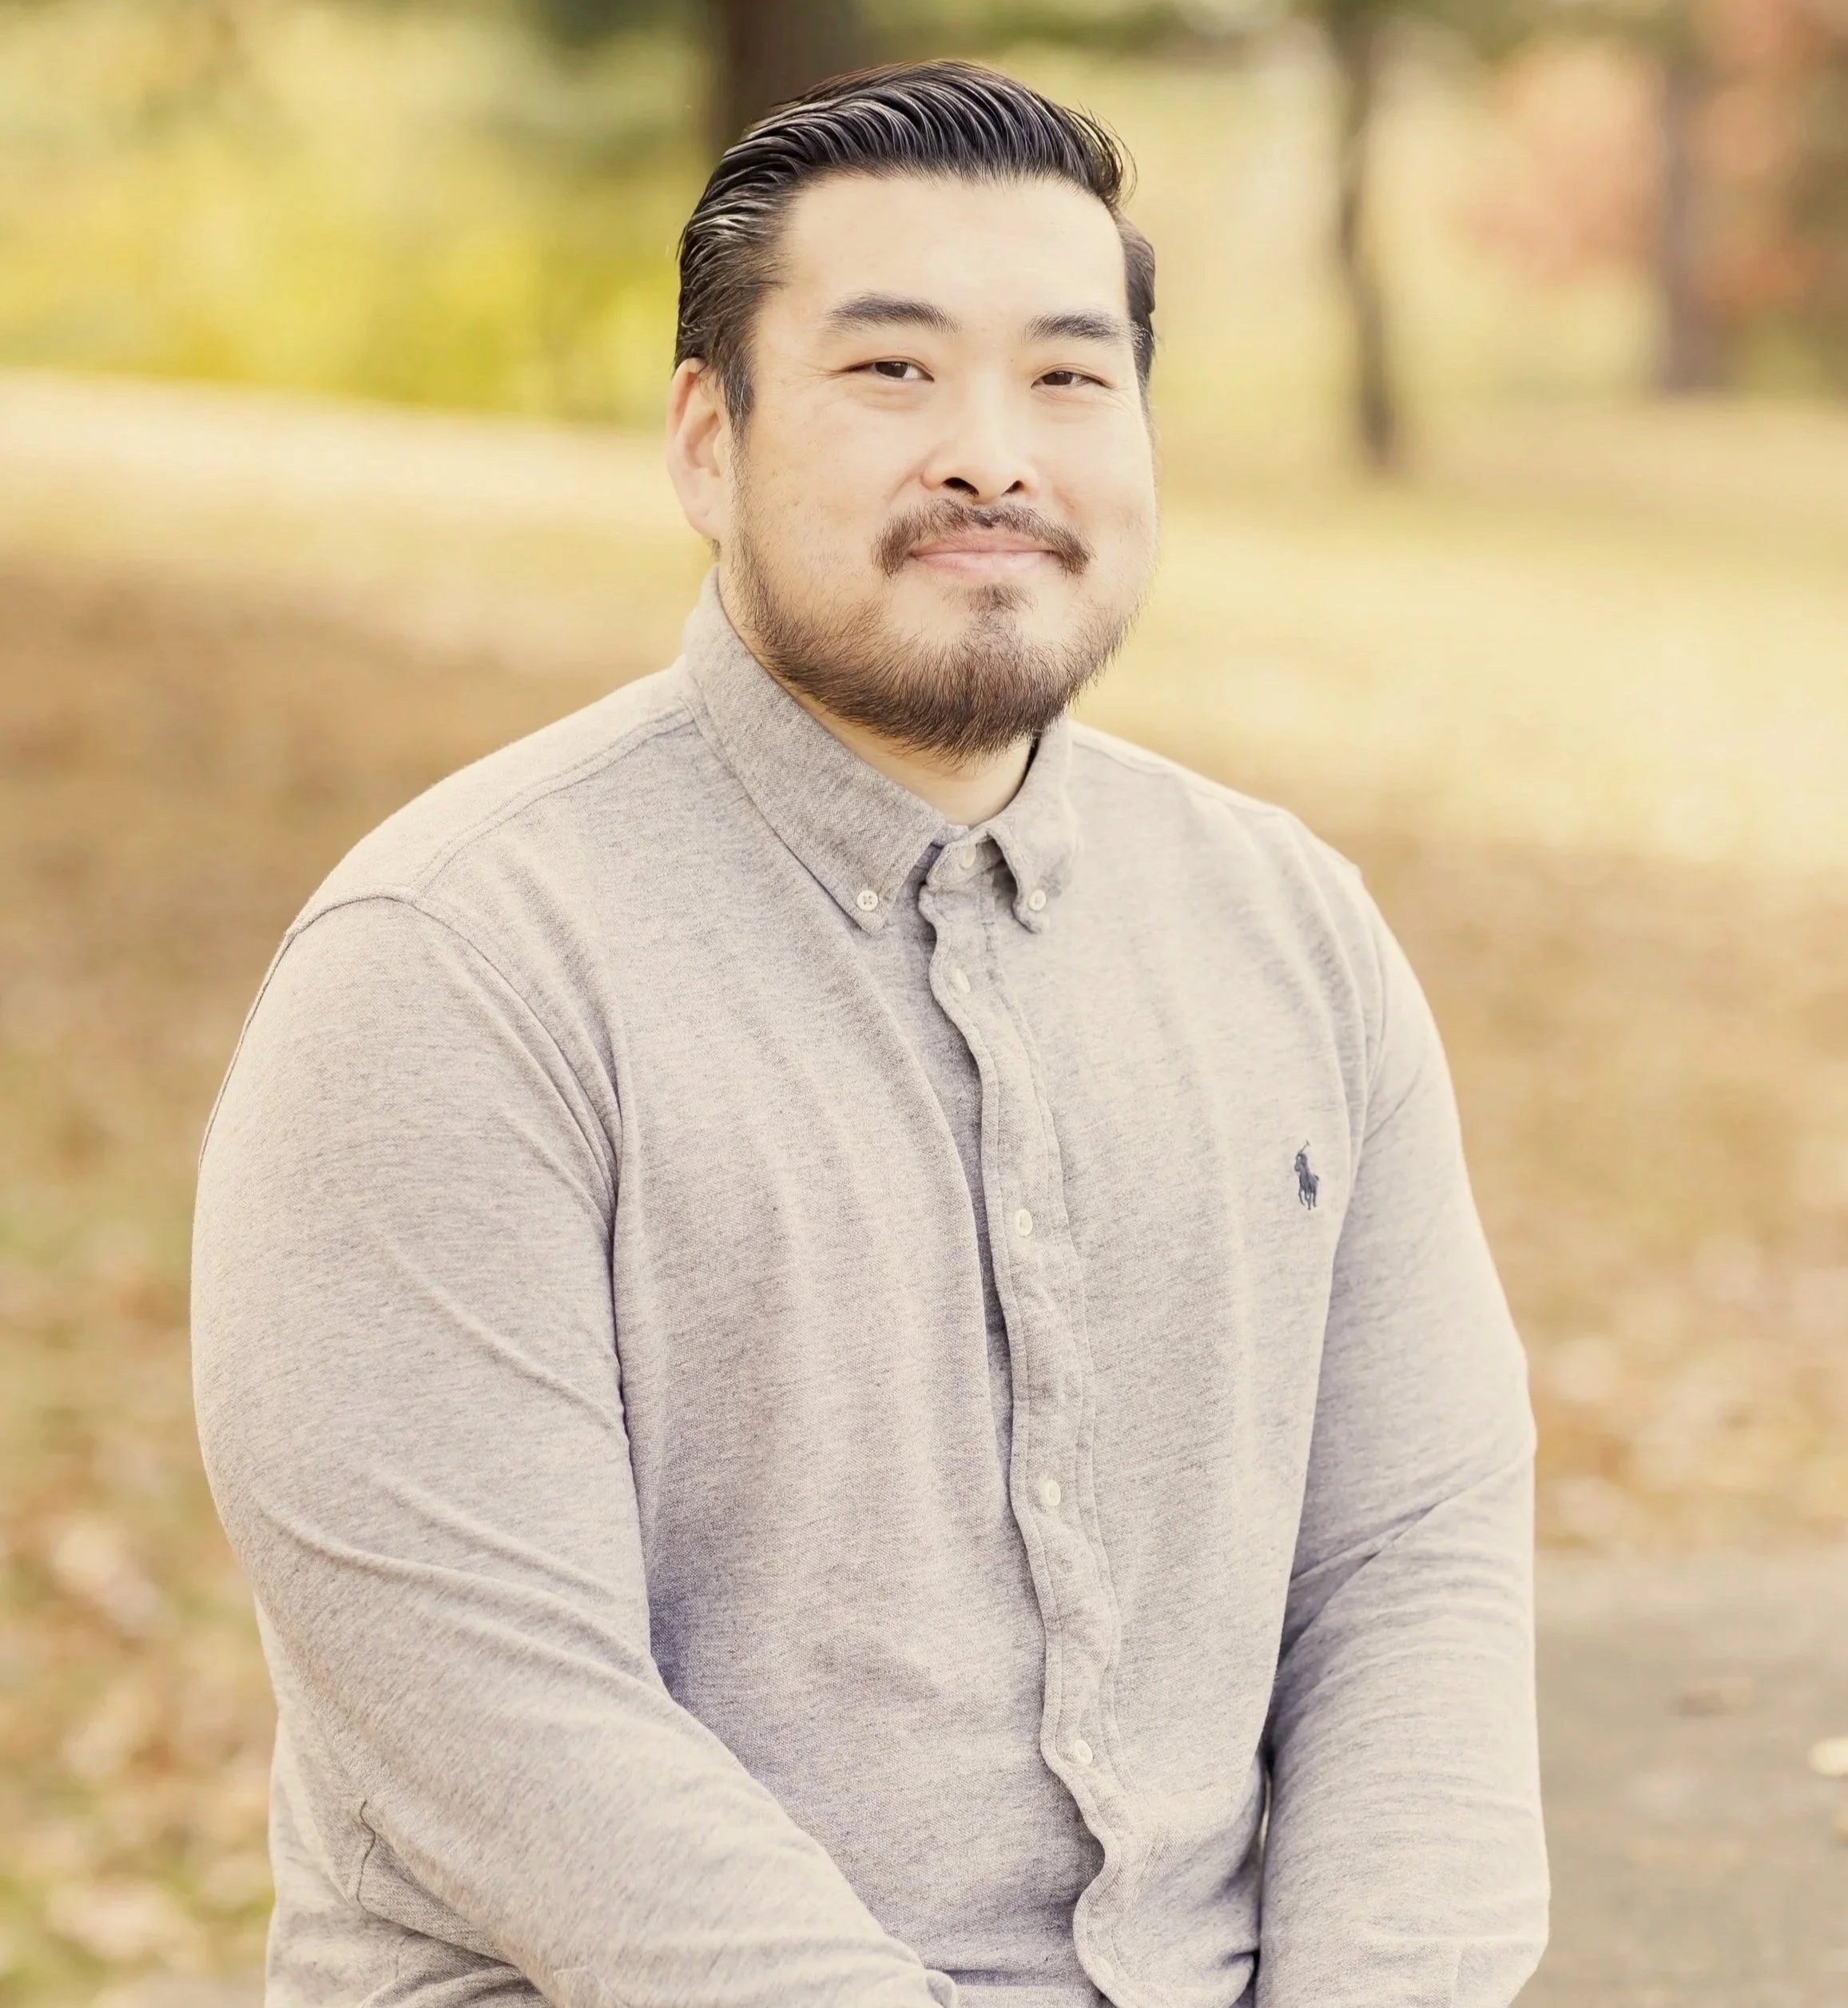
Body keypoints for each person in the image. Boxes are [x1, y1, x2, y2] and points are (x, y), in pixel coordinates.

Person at [190, 59, 1548, 2008]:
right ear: (702, 443)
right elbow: (494, 1703)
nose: (992, 454)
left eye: (1068, 378)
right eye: (890, 373)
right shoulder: (452, 966)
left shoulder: (1289, 931)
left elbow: (1411, 1553)